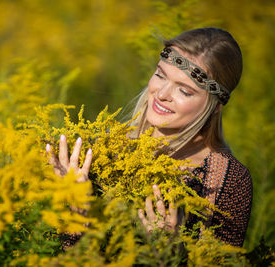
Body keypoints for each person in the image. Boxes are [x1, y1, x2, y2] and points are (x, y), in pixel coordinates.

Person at [46, 27, 253, 247]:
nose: (162, 94)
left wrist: (170, 253)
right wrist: (76, 214)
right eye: (160, 75)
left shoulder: (229, 182)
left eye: (184, 91)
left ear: (215, 107)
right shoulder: (101, 151)